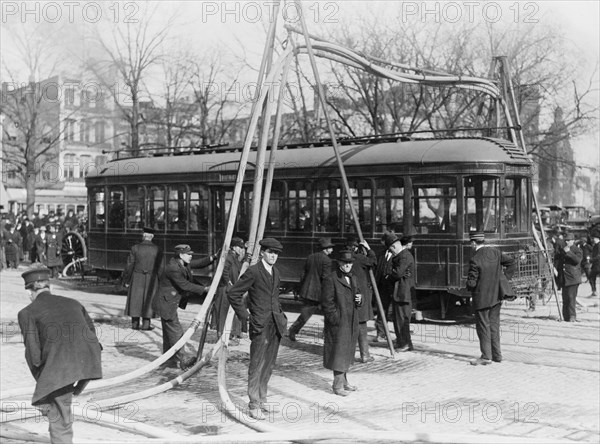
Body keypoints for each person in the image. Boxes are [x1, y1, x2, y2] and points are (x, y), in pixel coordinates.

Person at [18, 265, 102, 443]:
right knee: (56, 404)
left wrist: (44, 384)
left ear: (30, 293)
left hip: (61, 366)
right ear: (51, 287)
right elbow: (93, 336)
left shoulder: (27, 313)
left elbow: (33, 354)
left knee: (59, 418)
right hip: (88, 360)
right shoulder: (73, 303)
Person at [227, 238, 288, 420]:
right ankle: (253, 404)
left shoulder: (276, 272)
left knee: (269, 364)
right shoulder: (253, 271)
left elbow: (274, 297)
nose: (273, 256)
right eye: (270, 252)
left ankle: (262, 398)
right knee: (257, 364)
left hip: (275, 324)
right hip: (259, 325)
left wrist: (280, 315)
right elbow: (233, 293)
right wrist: (246, 317)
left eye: (276, 253)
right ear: (262, 252)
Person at [152, 244, 218, 370]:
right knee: (176, 332)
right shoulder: (173, 268)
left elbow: (199, 263)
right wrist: (205, 289)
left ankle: (169, 360)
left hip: (168, 302)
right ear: (181, 255)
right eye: (188, 254)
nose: (191, 256)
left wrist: (214, 257)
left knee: (168, 334)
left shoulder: (182, 263)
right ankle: (183, 358)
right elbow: (184, 285)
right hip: (166, 303)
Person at [466, 231, 516, 365]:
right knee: (494, 326)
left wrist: (467, 285)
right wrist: (504, 278)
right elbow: (511, 262)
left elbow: (471, 283)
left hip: (481, 299)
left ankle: (486, 357)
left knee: (483, 327)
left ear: (473, 243)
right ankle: (497, 355)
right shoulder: (495, 252)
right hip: (496, 297)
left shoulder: (475, 259)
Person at [321, 249, 362, 396]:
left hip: (350, 321)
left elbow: (356, 294)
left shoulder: (353, 278)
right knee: (339, 352)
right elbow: (327, 303)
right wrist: (335, 319)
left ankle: (344, 382)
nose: (348, 265)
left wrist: (359, 299)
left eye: (350, 263)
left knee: (347, 351)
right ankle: (337, 386)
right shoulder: (331, 278)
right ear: (339, 263)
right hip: (339, 323)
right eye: (345, 263)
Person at [287, 237, 334, 341]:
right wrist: (329, 293)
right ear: (325, 249)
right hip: (320, 293)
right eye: (331, 248)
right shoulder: (327, 260)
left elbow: (303, 274)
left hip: (308, 291)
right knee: (329, 314)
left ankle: (293, 330)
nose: (332, 250)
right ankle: (327, 335)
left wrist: (301, 288)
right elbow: (326, 279)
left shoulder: (310, 257)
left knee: (305, 314)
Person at [122, 227, 164, 330]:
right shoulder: (158, 249)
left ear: (143, 236)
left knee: (136, 299)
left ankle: (135, 324)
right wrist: (161, 282)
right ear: (152, 236)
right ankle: (146, 325)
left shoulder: (135, 248)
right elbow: (161, 268)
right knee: (148, 300)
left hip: (137, 276)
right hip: (152, 278)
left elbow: (129, 265)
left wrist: (126, 280)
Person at [345, 236, 377, 362]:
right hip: (360, 296)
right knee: (361, 325)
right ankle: (365, 354)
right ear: (356, 247)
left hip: (348, 295)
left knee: (349, 326)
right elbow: (373, 261)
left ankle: (348, 355)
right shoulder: (359, 258)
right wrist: (369, 249)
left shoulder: (342, 260)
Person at [216, 237, 247, 344]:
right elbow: (224, 271)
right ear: (234, 247)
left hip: (230, 288)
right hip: (226, 289)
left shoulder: (234, 257)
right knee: (223, 312)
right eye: (239, 247)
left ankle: (230, 334)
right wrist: (229, 283)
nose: (241, 249)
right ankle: (222, 336)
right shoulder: (229, 257)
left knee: (230, 312)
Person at [388, 235, 416, 351]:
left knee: (402, 320)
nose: (391, 252)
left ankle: (405, 343)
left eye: (391, 249)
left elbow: (397, 273)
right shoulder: (402, 255)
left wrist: (390, 273)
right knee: (399, 319)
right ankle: (402, 342)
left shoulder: (404, 256)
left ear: (394, 246)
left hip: (403, 293)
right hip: (400, 292)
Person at [374, 233, 399, 342]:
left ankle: (400, 337)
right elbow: (377, 270)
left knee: (395, 312)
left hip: (394, 288)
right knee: (381, 310)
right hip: (382, 287)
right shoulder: (381, 254)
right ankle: (381, 334)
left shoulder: (398, 255)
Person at [556, 232, 583, 322]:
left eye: (569, 240)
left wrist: (569, 252)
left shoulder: (577, 250)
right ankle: (565, 316)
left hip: (573, 278)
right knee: (565, 299)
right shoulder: (562, 249)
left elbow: (577, 260)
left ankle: (572, 316)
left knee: (571, 298)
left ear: (573, 241)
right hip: (564, 278)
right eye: (566, 240)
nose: (567, 242)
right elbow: (558, 261)